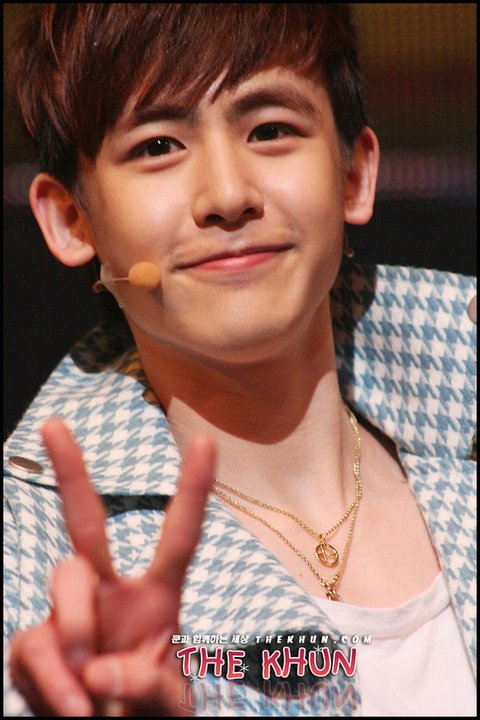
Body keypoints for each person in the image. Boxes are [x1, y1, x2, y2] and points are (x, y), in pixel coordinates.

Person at [4, 3, 476, 717]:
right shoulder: (31, 563)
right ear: (72, 220)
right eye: (158, 146)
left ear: (353, 174)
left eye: (271, 130)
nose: (228, 196)